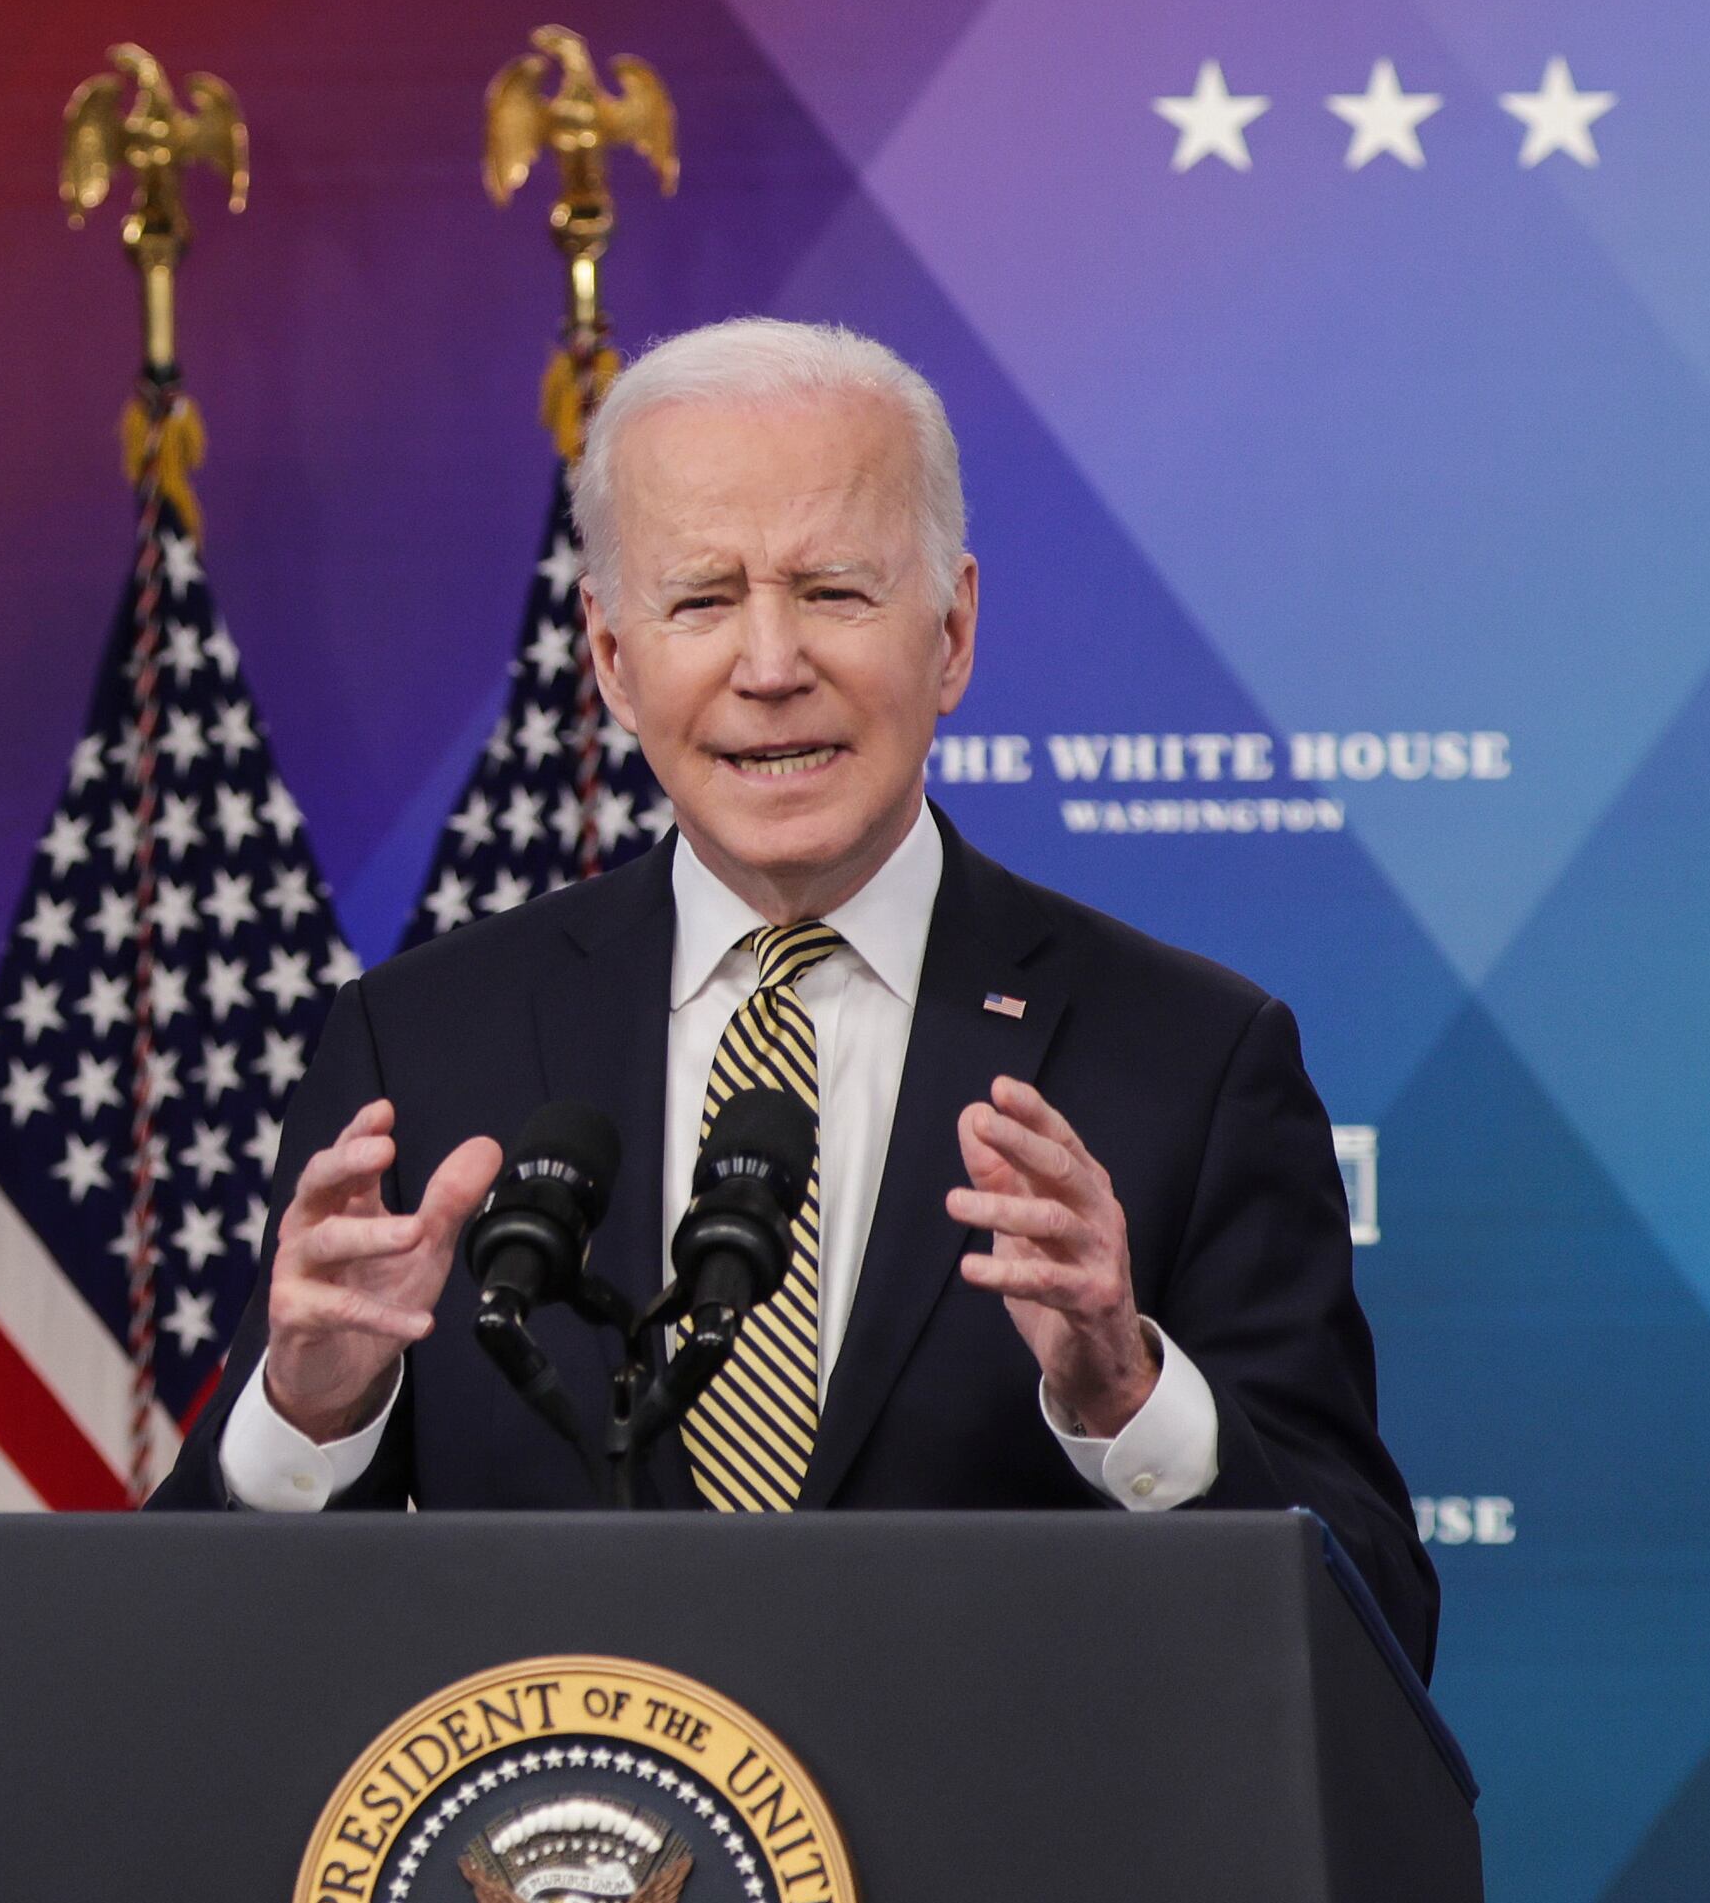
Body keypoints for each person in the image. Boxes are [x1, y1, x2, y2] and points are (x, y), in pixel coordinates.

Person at [158, 318, 1433, 1661]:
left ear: (952, 633)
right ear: (610, 656)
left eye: (833, 591)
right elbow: (191, 1658)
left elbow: (1378, 1633)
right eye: (702, 600)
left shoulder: (1185, 1062)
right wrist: (308, 1417)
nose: (769, 666)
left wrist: (1130, 1400)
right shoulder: (420, 1048)